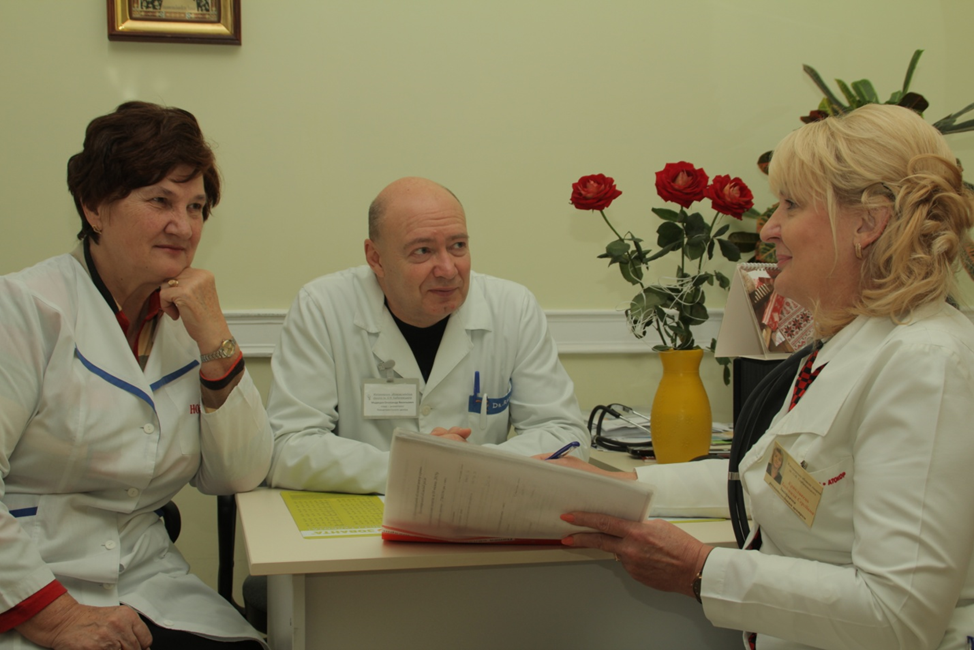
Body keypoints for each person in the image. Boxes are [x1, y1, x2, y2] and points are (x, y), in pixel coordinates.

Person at [552, 104, 974, 649]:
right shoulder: (853, 345)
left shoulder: (926, 363)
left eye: (791, 204)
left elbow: (897, 617)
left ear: (867, 224)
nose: (770, 227)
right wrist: (621, 487)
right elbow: (777, 481)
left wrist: (700, 570)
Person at [0, 102, 271, 649]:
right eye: (160, 201)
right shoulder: (25, 309)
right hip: (32, 588)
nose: (183, 226)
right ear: (94, 207)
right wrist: (57, 618)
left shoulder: (188, 322)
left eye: (196, 207)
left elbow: (239, 474)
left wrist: (215, 338)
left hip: (148, 582)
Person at [266, 176, 589, 494]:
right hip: (362, 517)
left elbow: (564, 433)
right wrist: (413, 467)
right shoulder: (322, 307)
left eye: (458, 246)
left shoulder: (513, 307)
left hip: (479, 510)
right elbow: (288, 447)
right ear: (376, 258)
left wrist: (471, 466)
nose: (448, 269)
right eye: (423, 250)